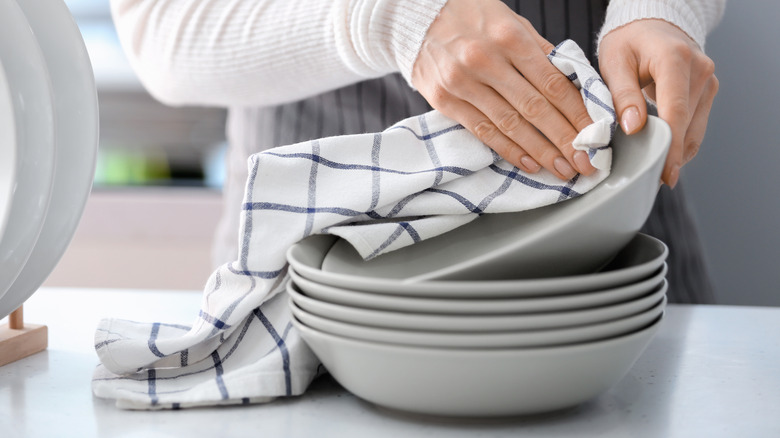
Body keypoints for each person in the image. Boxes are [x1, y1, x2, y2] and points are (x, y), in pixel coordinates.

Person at [110, 0, 725, 304]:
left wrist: (664, 14)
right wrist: (390, 18)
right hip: (317, 282)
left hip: (619, 267)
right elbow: (161, 29)